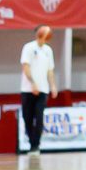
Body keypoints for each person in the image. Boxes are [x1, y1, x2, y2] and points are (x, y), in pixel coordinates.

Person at [20, 25, 56, 156]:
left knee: (39, 118)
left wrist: (53, 86)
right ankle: (32, 143)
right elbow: (26, 67)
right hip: (27, 89)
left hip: (43, 90)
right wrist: (33, 83)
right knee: (27, 118)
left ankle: (36, 146)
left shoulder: (48, 50)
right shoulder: (28, 47)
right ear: (38, 34)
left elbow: (50, 70)